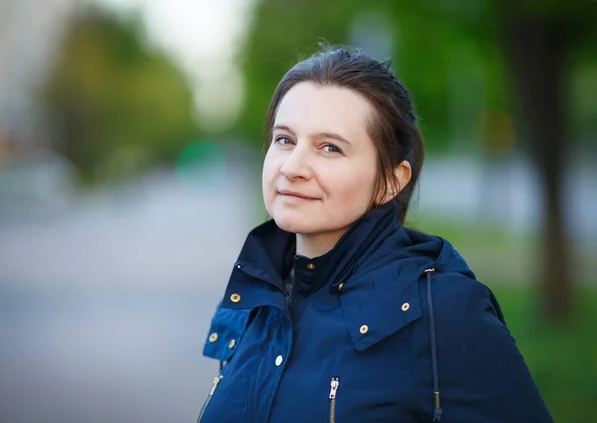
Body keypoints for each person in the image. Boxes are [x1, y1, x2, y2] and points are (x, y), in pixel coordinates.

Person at [197, 47, 553, 423]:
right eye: (285, 139)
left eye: (329, 148)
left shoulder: (443, 312)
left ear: (390, 182)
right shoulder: (256, 295)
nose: (293, 166)